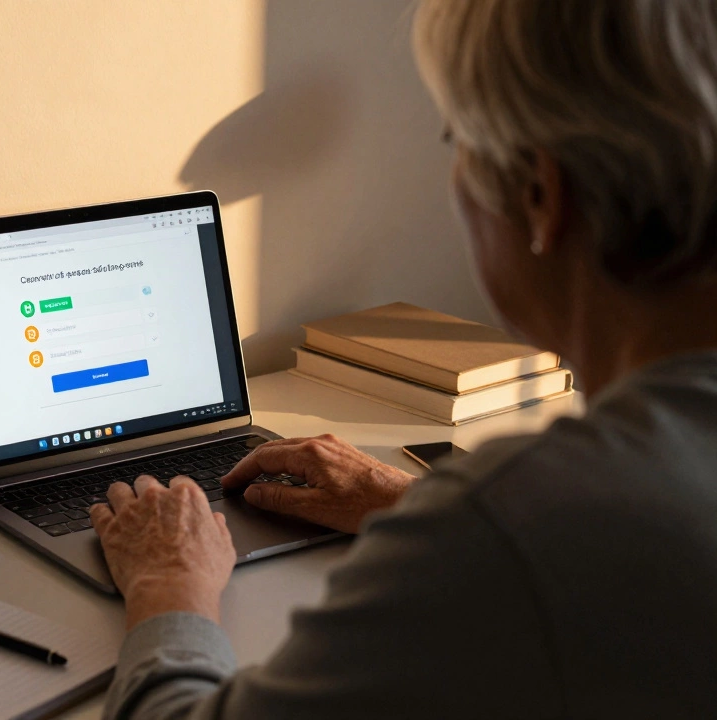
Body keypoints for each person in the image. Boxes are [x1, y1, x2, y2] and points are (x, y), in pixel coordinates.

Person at [93, 1, 717, 717]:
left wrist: (168, 581)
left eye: (457, 140)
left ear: (542, 196)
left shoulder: (519, 518)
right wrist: (413, 502)